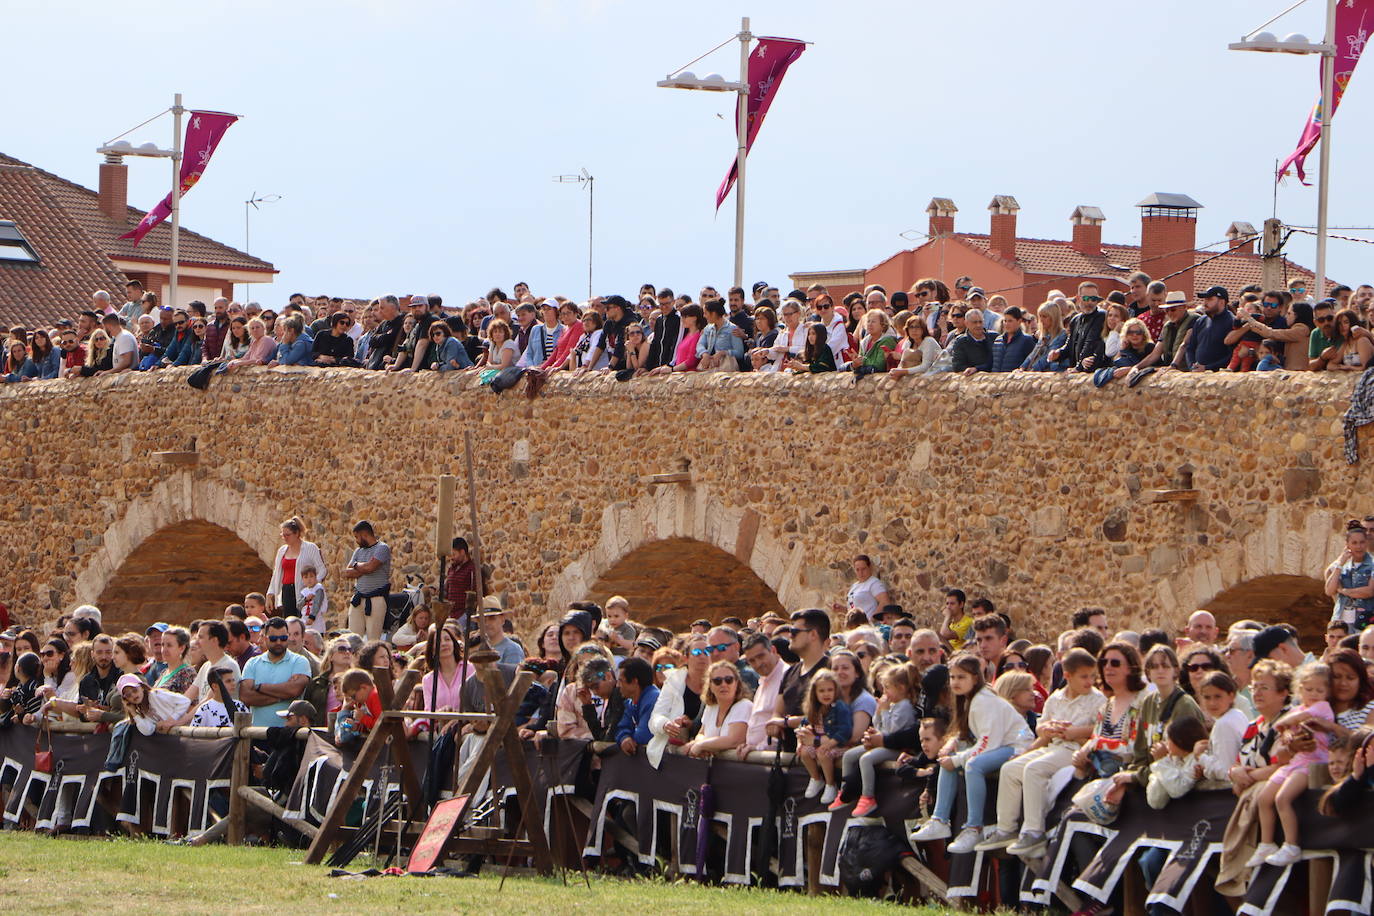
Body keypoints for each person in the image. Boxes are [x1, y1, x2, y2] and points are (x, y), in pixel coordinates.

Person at [980, 648, 1106, 856]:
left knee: (1034, 769)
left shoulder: (1097, 699)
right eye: (1084, 677)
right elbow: (1040, 727)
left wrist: (1074, 732)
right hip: (1052, 746)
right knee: (1010, 769)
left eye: (1093, 676)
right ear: (1068, 676)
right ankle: (1006, 829)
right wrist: (1047, 729)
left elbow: (1101, 729)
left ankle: (1034, 832)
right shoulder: (1056, 698)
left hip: (1075, 749)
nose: (1090, 681)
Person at [909, 653, 1033, 853]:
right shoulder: (969, 700)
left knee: (973, 765)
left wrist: (958, 759)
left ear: (975, 678)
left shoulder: (983, 700)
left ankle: (974, 827)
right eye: (952, 677)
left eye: (962, 677)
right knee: (950, 760)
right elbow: (967, 731)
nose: (955, 682)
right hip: (1000, 745)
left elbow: (988, 743)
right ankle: (940, 819)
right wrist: (952, 744)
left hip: (1017, 745)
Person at [1249, 661, 1335, 867]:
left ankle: (1291, 845)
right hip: (1295, 761)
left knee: (1282, 798)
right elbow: (1284, 728)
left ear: (1327, 692)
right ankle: (1266, 844)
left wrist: (1286, 725)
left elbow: (1287, 721)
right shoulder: (1299, 708)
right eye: (1309, 689)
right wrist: (1287, 733)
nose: (1314, 694)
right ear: (1300, 689)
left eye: (1319, 690)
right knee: (1264, 798)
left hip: (1314, 763)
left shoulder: (1322, 707)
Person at [831, 662, 917, 815]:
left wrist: (884, 711)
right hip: (883, 743)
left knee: (866, 759)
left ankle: (868, 797)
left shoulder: (905, 706)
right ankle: (845, 790)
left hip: (897, 748)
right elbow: (880, 726)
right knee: (849, 756)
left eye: (888, 688)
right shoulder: (892, 704)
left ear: (901, 688)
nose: (884, 692)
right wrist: (878, 714)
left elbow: (892, 731)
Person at [239, 617, 311, 727]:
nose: (278, 642)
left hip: (289, 732)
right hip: (258, 732)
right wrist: (283, 695)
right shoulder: (252, 663)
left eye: (283, 638)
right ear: (265, 638)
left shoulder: (299, 661)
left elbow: (294, 690)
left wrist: (259, 687)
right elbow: (246, 697)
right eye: (273, 638)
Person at [797, 670, 852, 803]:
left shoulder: (839, 707)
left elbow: (845, 731)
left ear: (836, 690)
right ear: (814, 693)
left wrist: (828, 744)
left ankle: (830, 784)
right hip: (818, 743)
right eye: (821, 691)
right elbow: (803, 726)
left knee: (822, 753)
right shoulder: (814, 708)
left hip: (836, 744)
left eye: (830, 690)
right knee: (804, 752)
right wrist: (799, 743)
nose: (826, 694)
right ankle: (816, 779)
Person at [682, 660, 753, 758]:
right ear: (710, 685)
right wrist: (699, 743)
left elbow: (734, 740)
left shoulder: (744, 705)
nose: (724, 684)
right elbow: (701, 734)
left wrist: (702, 745)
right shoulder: (711, 708)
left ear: (736, 683)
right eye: (717, 681)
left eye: (729, 680)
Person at [1145, 716, 1211, 809]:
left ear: (1180, 740)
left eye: (1168, 739)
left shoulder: (1197, 759)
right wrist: (1161, 765)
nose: (1165, 743)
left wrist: (1161, 761)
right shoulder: (1175, 759)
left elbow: (1177, 789)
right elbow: (1156, 801)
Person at [343, 520, 391, 641]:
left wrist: (357, 565)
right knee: (352, 638)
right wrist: (365, 568)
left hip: (376, 598)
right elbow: (347, 572)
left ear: (364, 535)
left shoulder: (382, 548)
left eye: (357, 537)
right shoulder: (358, 551)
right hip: (358, 598)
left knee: (373, 639)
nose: (356, 540)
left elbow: (370, 567)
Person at [1327, 521, 1374, 632]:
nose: (1359, 547)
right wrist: (1340, 565)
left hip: (1363, 623)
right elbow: (1329, 590)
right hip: (1341, 624)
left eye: (1362, 542)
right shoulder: (1342, 565)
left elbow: (1369, 591)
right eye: (1354, 543)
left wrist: (1344, 591)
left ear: (1366, 543)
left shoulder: (1372, 564)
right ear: (1347, 544)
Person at [614, 657, 659, 757]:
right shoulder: (630, 703)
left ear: (634, 681)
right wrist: (624, 738)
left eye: (621, 681)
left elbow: (643, 736)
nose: (618, 685)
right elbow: (621, 728)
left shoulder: (654, 700)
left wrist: (631, 740)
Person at [477, 597, 525, 667]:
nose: (487, 623)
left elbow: (511, 673)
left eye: (492, 618)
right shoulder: (475, 650)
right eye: (482, 620)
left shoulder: (512, 649)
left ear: (502, 620)